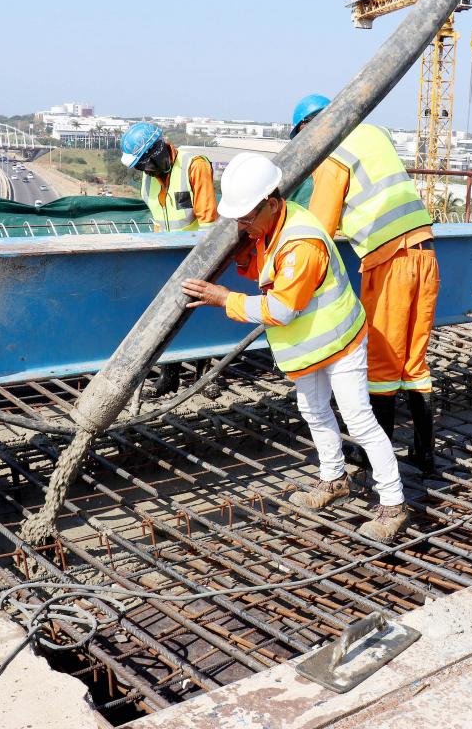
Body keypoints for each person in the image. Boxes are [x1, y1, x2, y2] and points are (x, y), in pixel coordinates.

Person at [181, 153, 408, 542]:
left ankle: (393, 503)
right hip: (310, 346)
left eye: (247, 218)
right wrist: (244, 255)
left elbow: (281, 309)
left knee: (358, 419)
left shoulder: (302, 242)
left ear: (271, 203)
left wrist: (224, 299)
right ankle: (333, 480)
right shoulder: (271, 226)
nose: (242, 225)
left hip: (339, 341)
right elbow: (268, 271)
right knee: (314, 410)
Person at [290, 94, 440, 476]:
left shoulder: (332, 153)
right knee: (414, 362)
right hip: (425, 251)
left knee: (382, 363)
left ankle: (377, 456)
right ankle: (426, 454)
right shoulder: (373, 132)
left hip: (389, 259)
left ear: (310, 128)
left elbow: (319, 229)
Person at [121, 121, 220, 395]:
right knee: (167, 316)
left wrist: (205, 262)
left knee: (200, 316)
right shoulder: (148, 175)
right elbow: (157, 219)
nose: (146, 172)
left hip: (198, 254)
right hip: (168, 257)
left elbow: (208, 221)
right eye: (141, 167)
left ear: (160, 151)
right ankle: (170, 375)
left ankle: (204, 377)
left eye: (148, 165)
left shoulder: (193, 165)